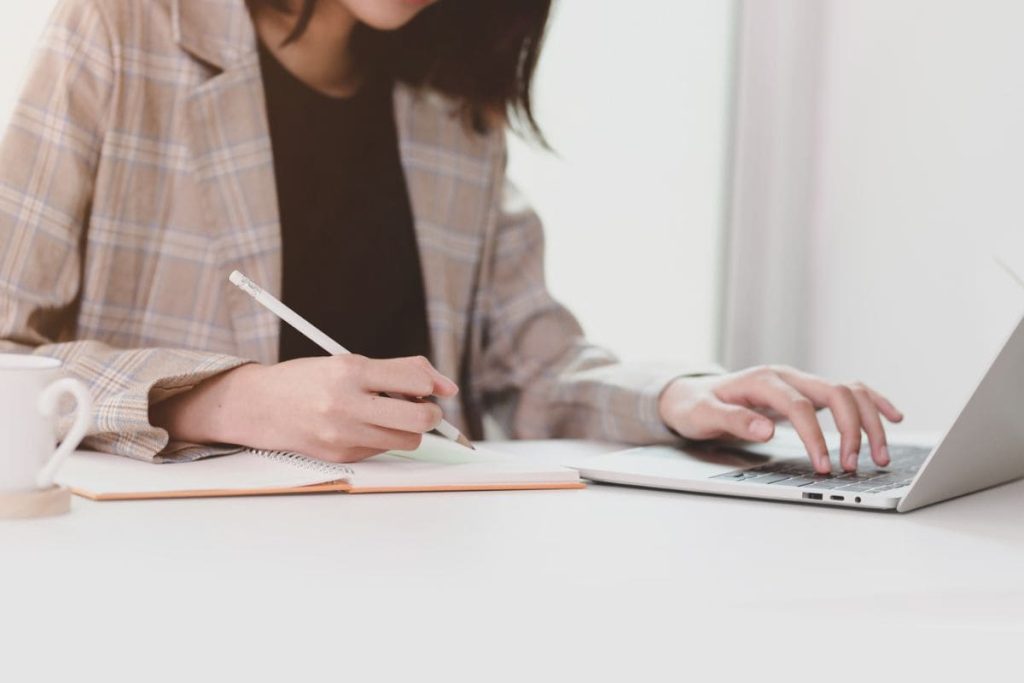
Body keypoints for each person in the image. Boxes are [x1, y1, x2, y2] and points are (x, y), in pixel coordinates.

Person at [0, 0, 903, 473]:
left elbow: (531, 365)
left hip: (428, 564)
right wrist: (226, 400)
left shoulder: (451, 103)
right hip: (180, 586)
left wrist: (684, 396)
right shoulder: (122, 28)